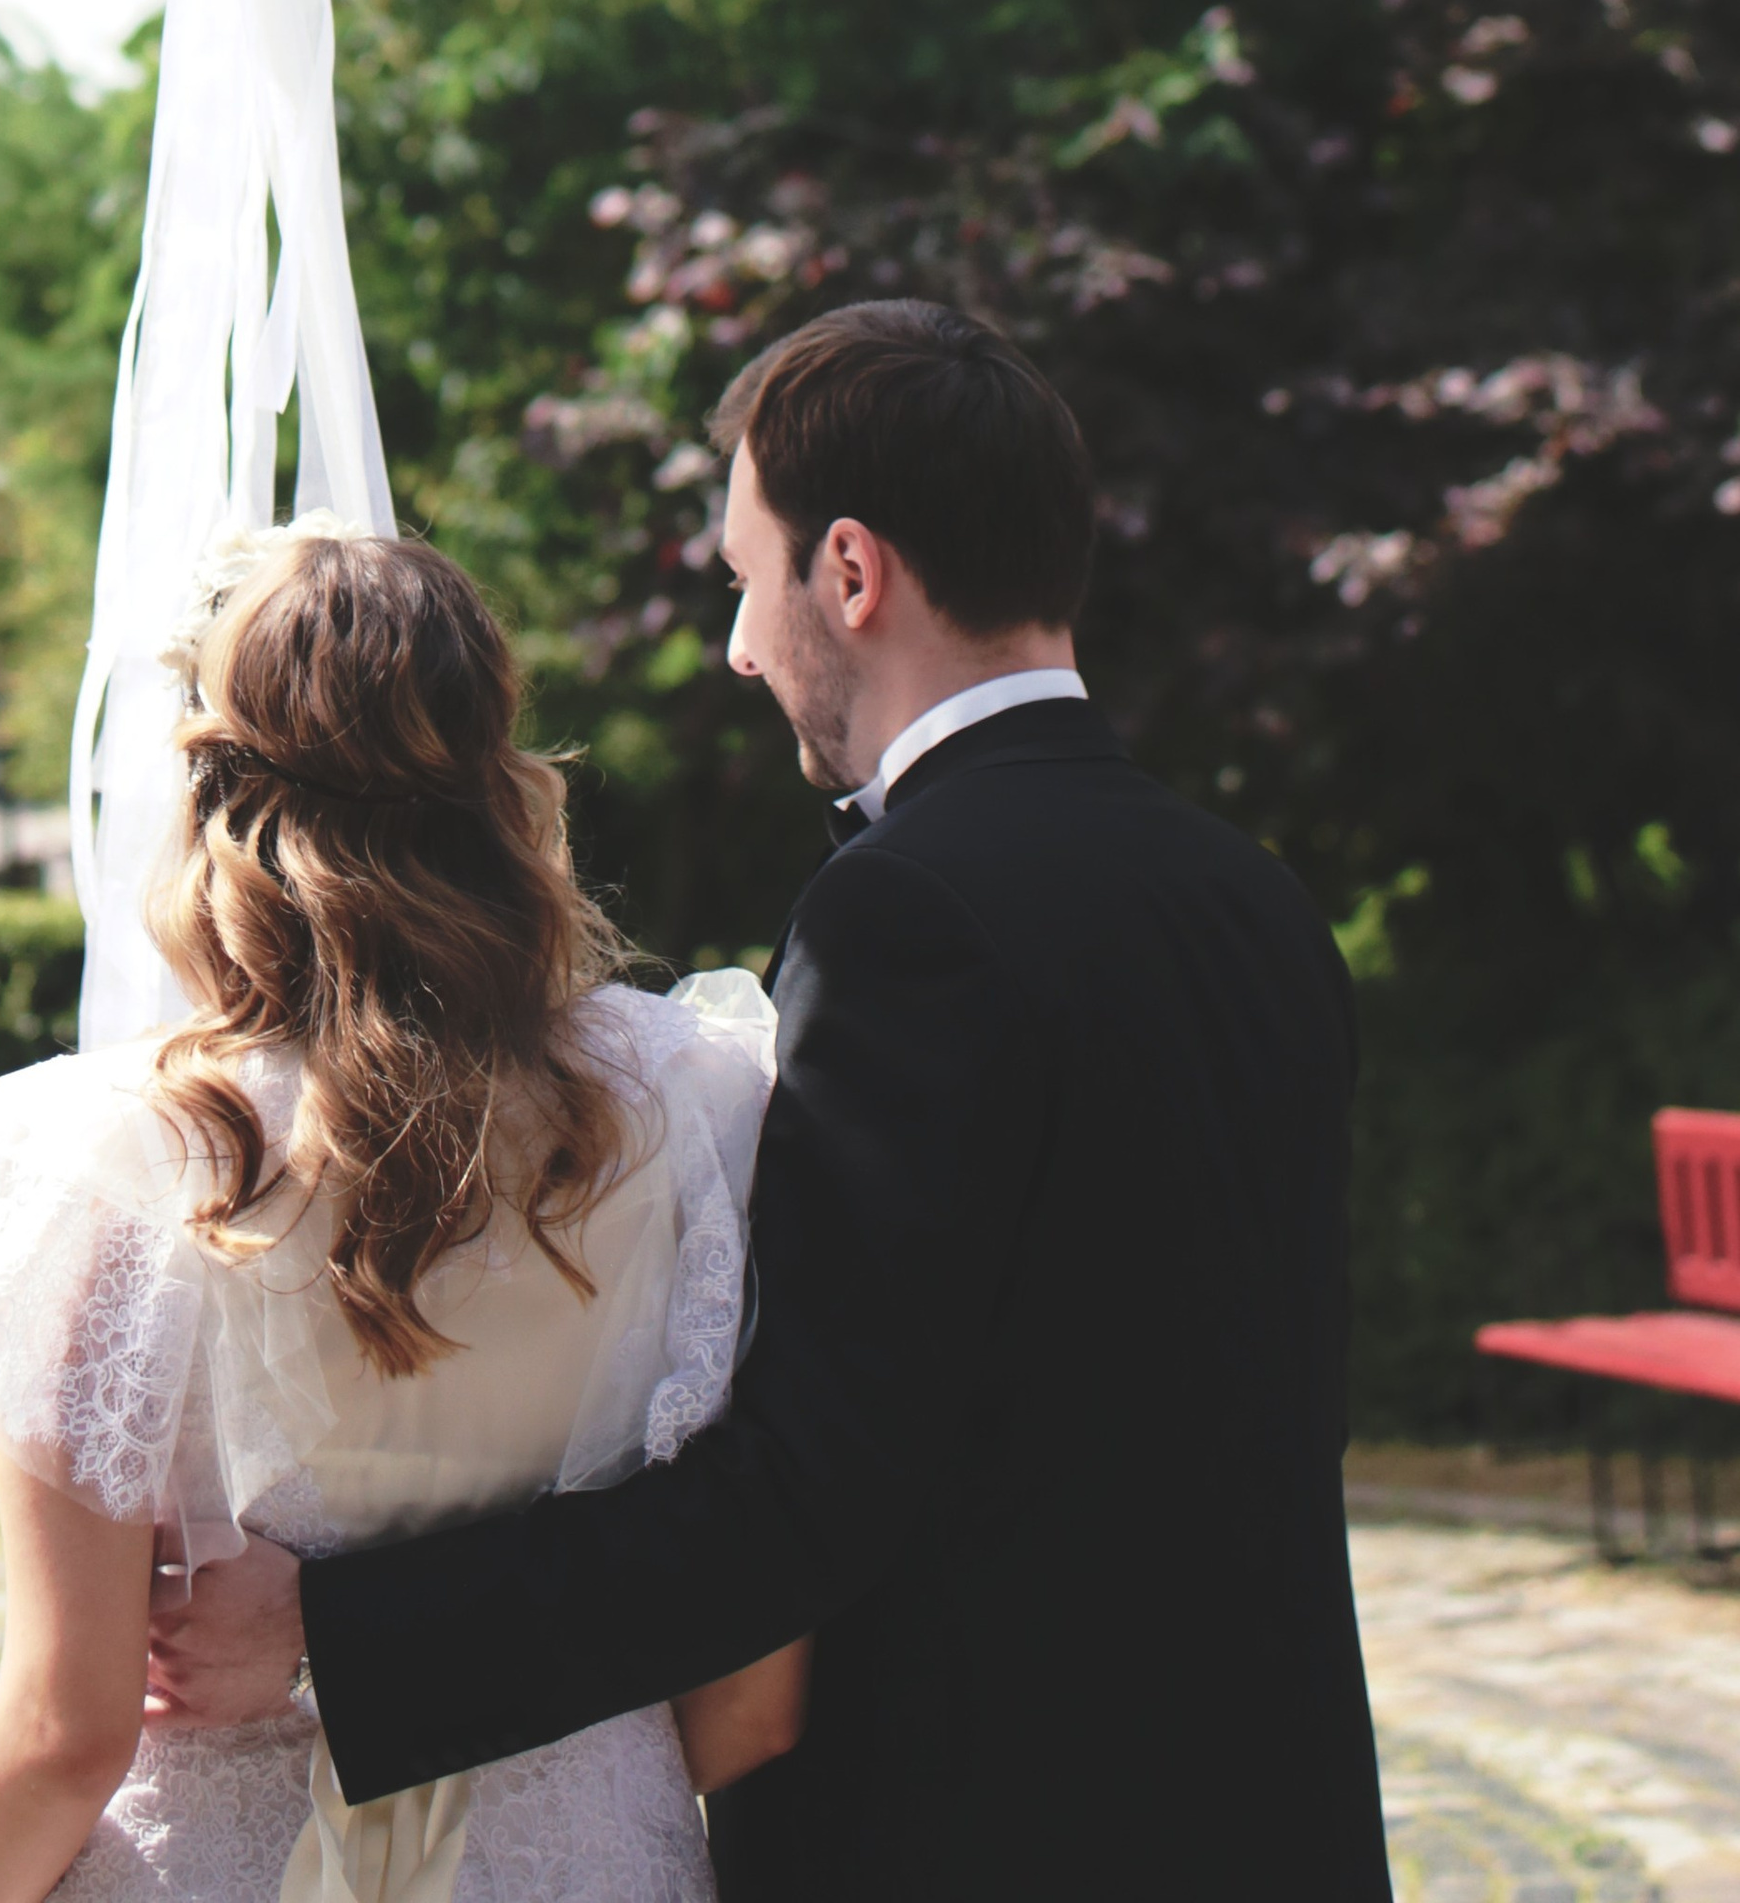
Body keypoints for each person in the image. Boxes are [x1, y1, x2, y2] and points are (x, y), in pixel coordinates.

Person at [146, 300, 1393, 1903]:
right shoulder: (1254, 901)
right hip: (1269, 1808)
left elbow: (804, 1495)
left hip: (992, 1831)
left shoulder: (912, 913)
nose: (739, 645)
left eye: (749, 579)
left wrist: (334, 1635)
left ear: (853, 574)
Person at [0, 524, 788, 1903]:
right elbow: (743, 1711)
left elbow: (66, 1730)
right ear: (498, 780)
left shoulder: (125, 1163)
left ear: (215, 796)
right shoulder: (701, 1108)